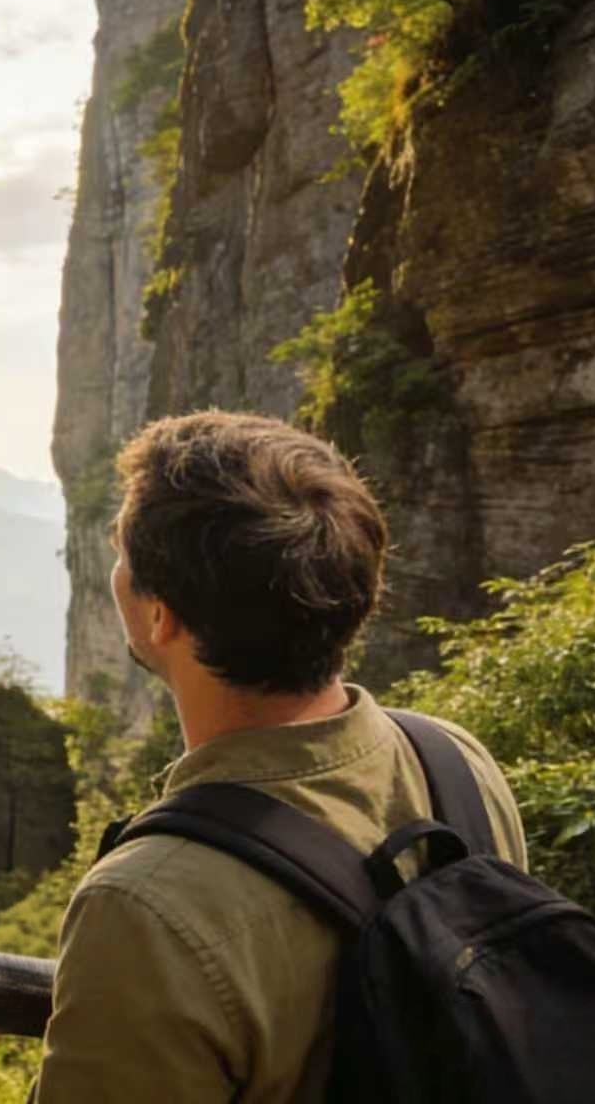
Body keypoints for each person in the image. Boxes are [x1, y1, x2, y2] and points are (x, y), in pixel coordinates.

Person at [35, 411, 527, 1103]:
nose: (113, 567)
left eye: (120, 552)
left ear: (159, 616)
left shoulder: (144, 907)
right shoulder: (455, 762)